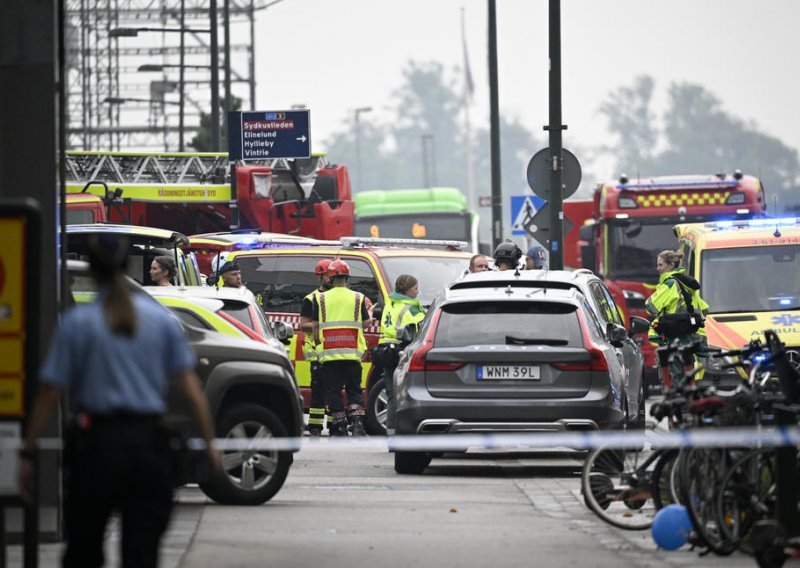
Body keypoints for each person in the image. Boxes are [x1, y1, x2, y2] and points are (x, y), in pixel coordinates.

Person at [18, 234, 220, 568]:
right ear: (128, 267)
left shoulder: (77, 323)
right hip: (147, 449)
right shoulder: (160, 322)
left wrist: (27, 454)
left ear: (93, 273)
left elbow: (48, 393)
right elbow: (191, 391)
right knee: (141, 552)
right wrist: (210, 445)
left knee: (84, 549)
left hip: (95, 449)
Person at [312, 259, 371, 437]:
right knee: (354, 390)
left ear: (330, 277)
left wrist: (317, 344)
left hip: (329, 355)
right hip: (352, 353)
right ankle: (358, 423)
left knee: (333, 391)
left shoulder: (320, 298)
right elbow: (365, 323)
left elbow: (315, 327)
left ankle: (340, 425)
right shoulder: (358, 297)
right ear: (347, 277)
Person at [645, 249, 709, 389]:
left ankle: (675, 404)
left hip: (673, 337)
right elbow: (704, 308)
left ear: (671, 265)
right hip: (689, 336)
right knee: (687, 374)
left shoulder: (670, 284)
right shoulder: (686, 284)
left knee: (671, 379)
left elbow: (651, 307)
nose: (658, 269)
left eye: (660, 265)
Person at [375, 274, 425, 436]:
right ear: (408, 290)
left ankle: (391, 437)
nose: (418, 292)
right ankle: (407, 435)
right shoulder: (412, 307)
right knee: (407, 397)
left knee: (391, 397)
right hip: (401, 352)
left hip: (385, 351)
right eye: (415, 289)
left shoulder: (390, 303)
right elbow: (423, 329)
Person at [300, 259, 333, 436]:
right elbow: (303, 324)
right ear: (320, 276)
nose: (332, 279)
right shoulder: (310, 299)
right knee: (318, 391)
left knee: (334, 390)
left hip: (335, 350)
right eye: (329, 275)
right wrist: (320, 325)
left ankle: (335, 426)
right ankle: (315, 427)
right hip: (316, 352)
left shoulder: (338, 298)